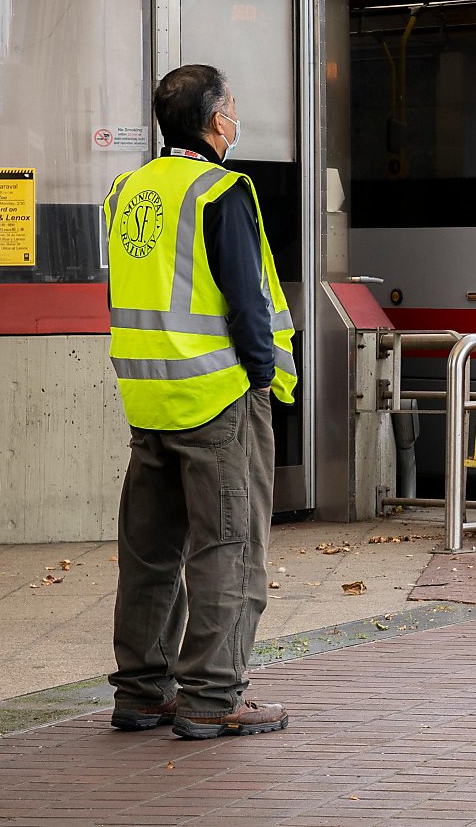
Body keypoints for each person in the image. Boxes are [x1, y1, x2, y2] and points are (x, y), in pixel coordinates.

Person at [104, 64, 297, 739]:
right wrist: (263, 375)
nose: (237, 119)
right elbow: (248, 302)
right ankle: (214, 697)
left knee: (149, 552)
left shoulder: (127, 189)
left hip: (147, 397)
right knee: (228, 547)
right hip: (217, 396)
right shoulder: (222, 190)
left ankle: (141, 691)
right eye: (234, 107)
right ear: (216, 122)